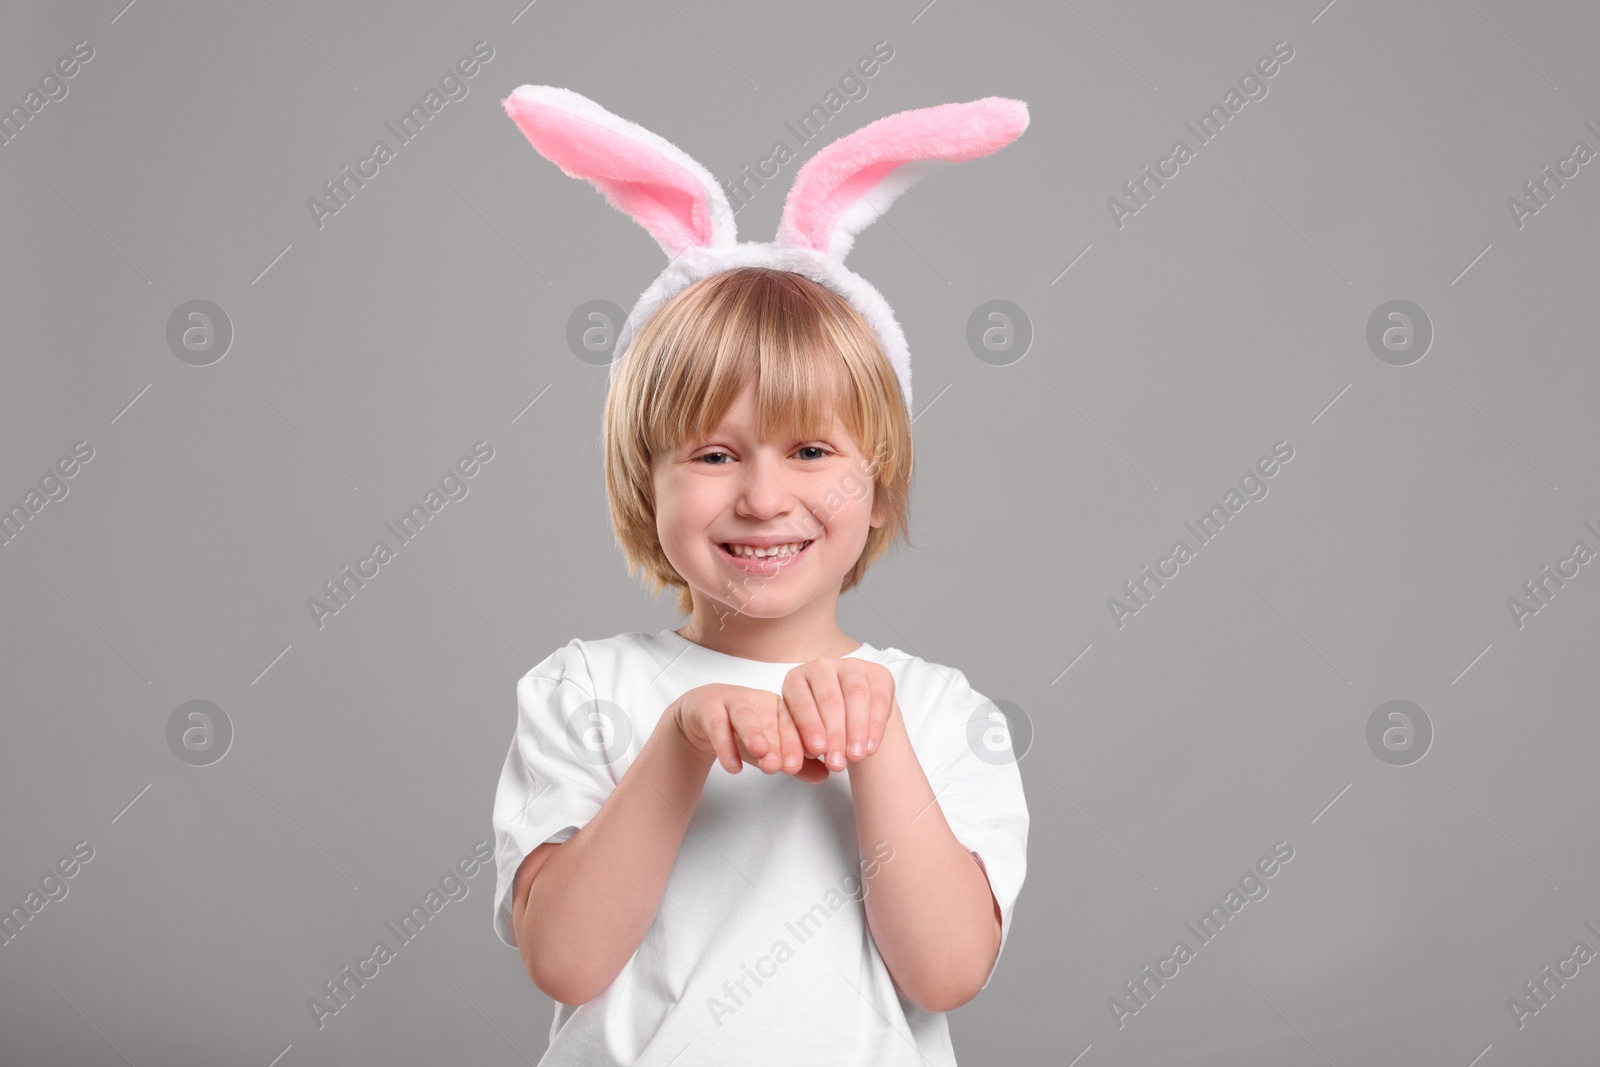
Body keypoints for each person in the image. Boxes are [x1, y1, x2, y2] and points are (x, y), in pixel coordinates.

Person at [489, 86, 1030, 1066]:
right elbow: (565, 959)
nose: (763, 496)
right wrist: (680, 741)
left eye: (812, 450)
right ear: (641, 482)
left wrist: (876, 741)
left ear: (879, 486)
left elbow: (946, 970)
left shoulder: (942, 712)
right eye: (713, 454)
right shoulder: (583, 691)